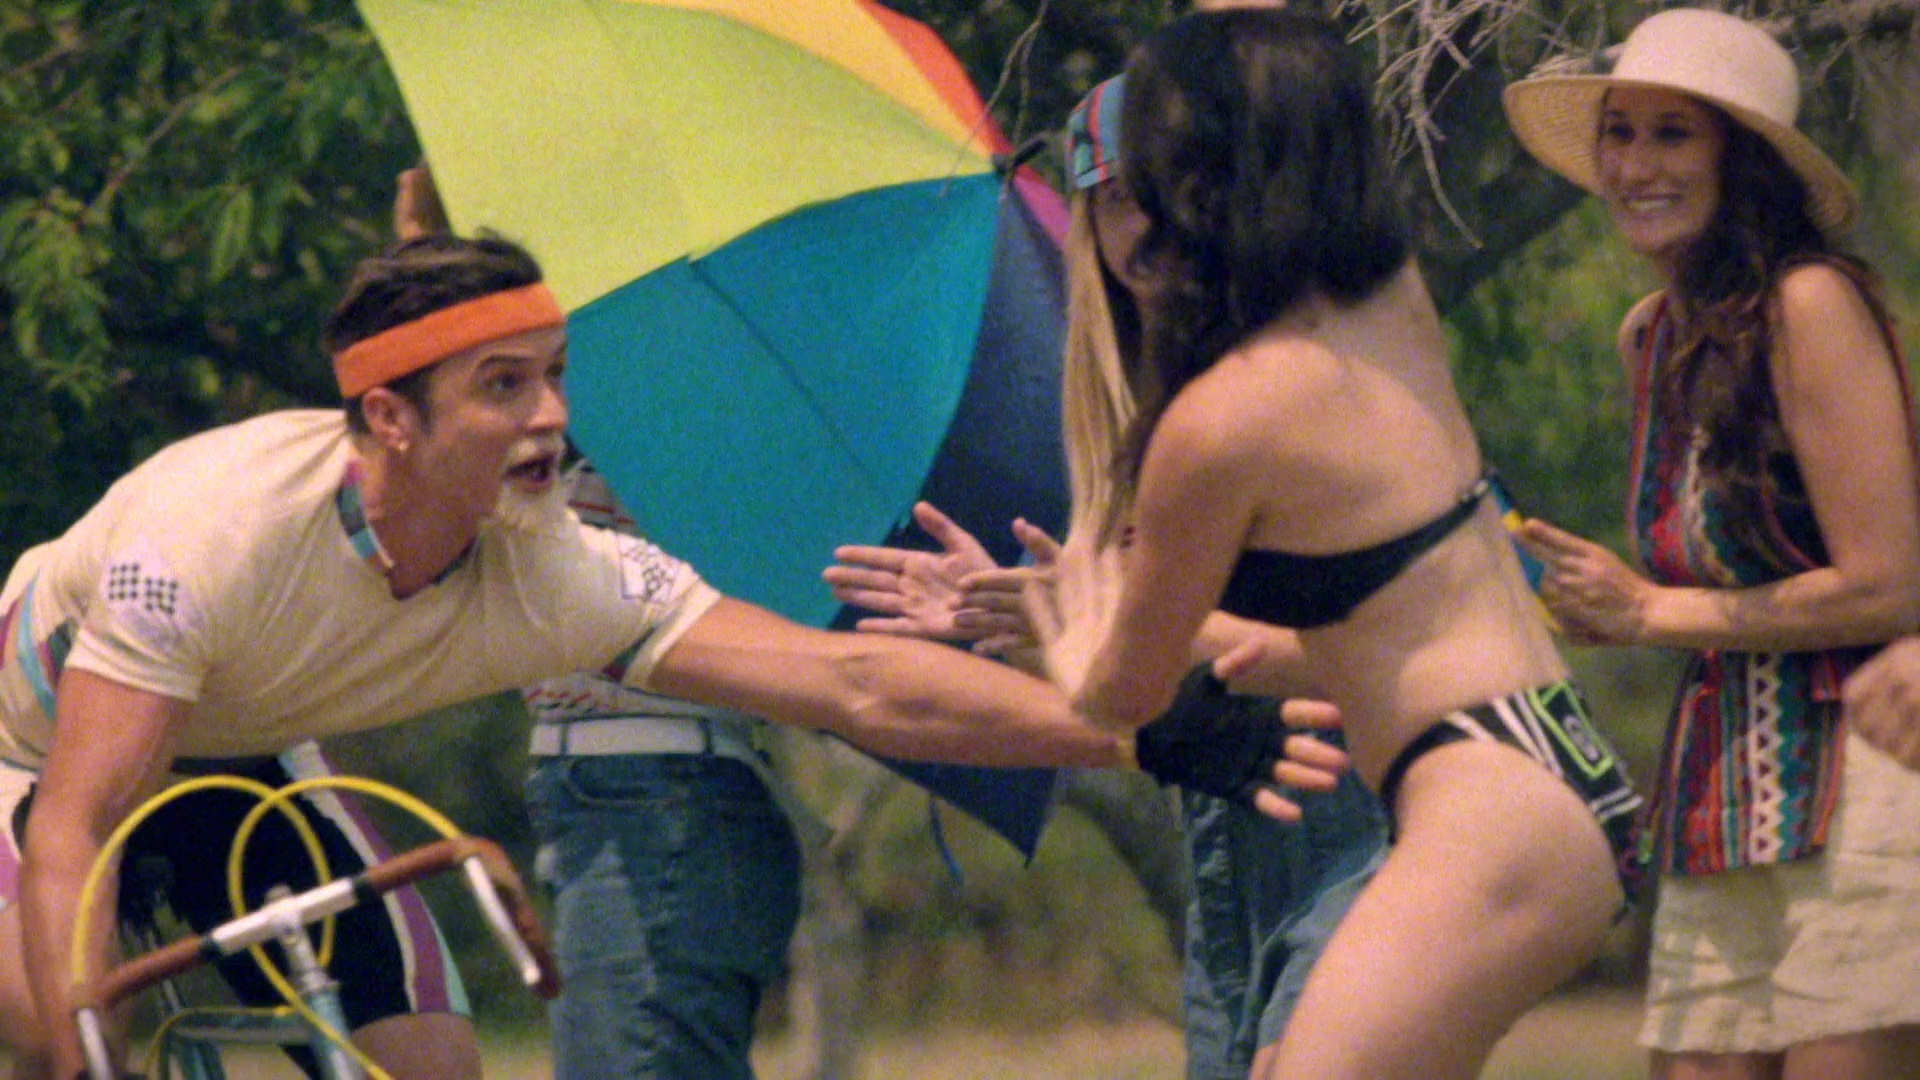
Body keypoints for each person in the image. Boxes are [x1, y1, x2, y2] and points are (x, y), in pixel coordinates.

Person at [0, 229, 1336, 1080]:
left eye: (556, 374)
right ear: (390, 420)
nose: (553, 418)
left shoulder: (559, 572)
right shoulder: (204, 537)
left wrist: (1142, 730)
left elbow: (855, 681)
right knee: (58, 1033)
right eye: (504, 387)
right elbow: (73, 824)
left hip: (242, 750)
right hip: (35, 757)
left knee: (436, 1067)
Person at [1014, 10, 1641, 1079]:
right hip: (1543, 762)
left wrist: (1072, 644)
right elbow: (1294, 77)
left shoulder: (1219, 426)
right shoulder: (1387, 304)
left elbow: (1126, 692)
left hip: (1487, 807)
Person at [827, 71, 1389, 1079]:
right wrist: (1020, 628)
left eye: (1178, 189)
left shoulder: (1313, 379)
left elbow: (1389, 653)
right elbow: (1127, 690)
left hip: (1363, 825)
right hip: (1224, 833)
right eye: (1122, 196)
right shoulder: (1124, 418)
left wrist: (1118, 611)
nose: (1149, 226)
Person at [1503, 8, 1920, 1077]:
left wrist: (1650, 612)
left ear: (1744, 159)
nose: (1635, 165)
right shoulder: (1649, 335)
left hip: (1869, 776)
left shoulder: (1810, 304)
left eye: (1673, 134)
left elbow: (1891, 585)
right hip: (1717, 793)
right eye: (1620, 132)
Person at [393, 164, 806, 1080]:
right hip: (641, 795)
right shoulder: (618, 413)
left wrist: (422, 264)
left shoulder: (646, 401)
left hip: (656, 794)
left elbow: (453, 420)